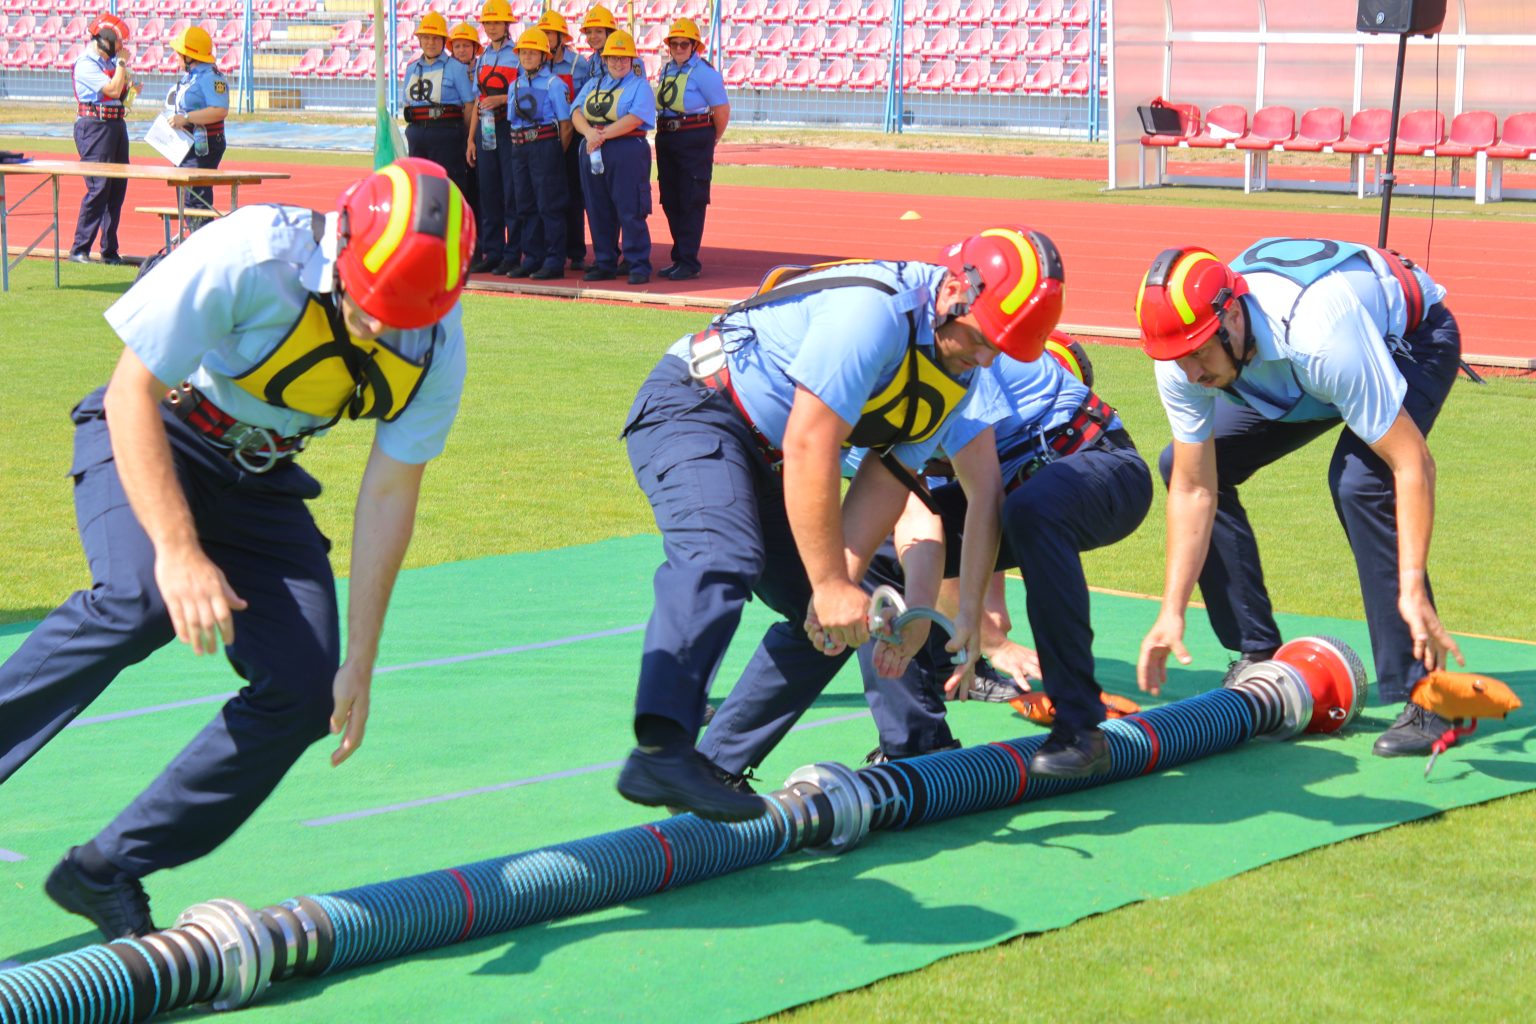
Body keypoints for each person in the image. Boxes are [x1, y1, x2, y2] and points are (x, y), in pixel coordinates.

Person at [0, 159, 474, 940]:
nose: (385, 327)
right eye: (373, 302)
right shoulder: (254, 254)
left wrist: (361, 655)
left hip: (263, 479)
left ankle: (106, 869)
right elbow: (130, 395)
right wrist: (179, 550)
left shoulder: (437, 342)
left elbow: (391, 491)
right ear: (342, 243)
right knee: (139, 600)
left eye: (406, 314)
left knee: (305, 685)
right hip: (163, 434)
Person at [621, 227, 1066, 820]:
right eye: (984, 339)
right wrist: (830, 582)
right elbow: (812, 444)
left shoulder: (956, 373)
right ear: (957, 291)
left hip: (768, 451)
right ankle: (661, 747)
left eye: (1001, 350)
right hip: (698, 408)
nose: (987, 359)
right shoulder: (873, 313)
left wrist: (838, 585)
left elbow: (888, 480)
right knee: (721, 556)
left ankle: (713, 770)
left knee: (839, 621)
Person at [1132, 239, 1465, 758]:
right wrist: (1172, 610)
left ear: (1232, 319)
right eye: (1180, 357)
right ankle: (1257, 653)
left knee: (1361, 482)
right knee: (1184, 463)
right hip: (1295, 374)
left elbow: (1412, 463)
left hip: (1407, 340)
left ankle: (1431, 695)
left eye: (1199, 352)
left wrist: (1412, 587)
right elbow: (1195, 487)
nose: (1192, 373)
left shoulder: (1318, 336)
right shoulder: (1184, 356)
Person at [853, 334, 1152, 777]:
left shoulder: (944, 366)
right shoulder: (854, 406)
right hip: (1015, 492)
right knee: (881, 554)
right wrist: (921, 614)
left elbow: (987, 500)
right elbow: (920, 518)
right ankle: (916, 746)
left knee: (1032, 510)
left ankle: (1079, 727)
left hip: (1097, 463)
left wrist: (980, 624)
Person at [570, 30, 655, 285]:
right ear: (605, 60)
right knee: (597, 208)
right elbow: (576, 110)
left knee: (630, 208)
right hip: (593, 148)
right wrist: (588, 134)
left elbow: (635, 118)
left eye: (624, 58)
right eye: (613, 58)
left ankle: (637, 263)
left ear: (632, 61)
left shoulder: (639, 86)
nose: (618, 63)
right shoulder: (594, 84)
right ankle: (604, 261)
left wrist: (601, 135)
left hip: (626, 148)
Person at [652, 17, 728, 282]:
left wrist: (710, 138)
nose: (679, 48)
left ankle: (688, 260)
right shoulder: (667, 70)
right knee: (670, 198)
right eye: (675, 44)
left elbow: (721, 111)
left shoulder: (705, 73)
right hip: (667, 136)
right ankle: (680, 256)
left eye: (685, 44)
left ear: (695, 45)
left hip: (693, 136)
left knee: (691, 199)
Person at [502, 27, 571, 280]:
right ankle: (532, 259)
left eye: (533, 52)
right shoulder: (515, 85)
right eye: (524, 52)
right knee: (525, 205)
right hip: (519, 148)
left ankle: (554, 260)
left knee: (549, 205)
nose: (527, 57)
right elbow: (513, 121)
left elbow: (566, 125)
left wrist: (553, 153)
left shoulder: (555, 84)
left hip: (544, 146)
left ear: (545, 56)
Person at [69, 12, 136, 265]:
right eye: (119, 41)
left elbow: (120, 93)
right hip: (94, 126)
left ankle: (109, 250)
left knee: (116, 188)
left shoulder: (108, 63)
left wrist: (128, 88)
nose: (122, 47)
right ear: (106, 39)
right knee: (99, 188)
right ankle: (79, 248)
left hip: (115, 124)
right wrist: (121, 66)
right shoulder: (87, 63)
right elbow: (110, 89)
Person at [401, 11, 475, 224]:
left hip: (447, 134)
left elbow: (469, 104)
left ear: (443, 40)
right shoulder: (411, 69)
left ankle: (457, 234)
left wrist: (465, 135)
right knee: (421, 188)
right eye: (426, 37)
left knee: (451, 187)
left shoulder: (456, 68)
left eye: (435, 38)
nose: (430, 42)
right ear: (419, 40)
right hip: (417, 133)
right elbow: (407, 100)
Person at [467, 0, 521, 275]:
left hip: (508, 127)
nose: (491, 27)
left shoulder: (519, 55)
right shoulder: (484, 57)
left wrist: (502, 98)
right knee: (489, 192)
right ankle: (493, 252)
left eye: (496, 23)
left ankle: (513, 254)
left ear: (507, 25)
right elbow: (479, 100)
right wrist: (471, 139)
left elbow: (525, 92)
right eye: (487, 23)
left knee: (511, 192)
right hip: (485, 129)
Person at [536, 8, 587, 273]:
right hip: (545, 136)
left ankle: (576, 251)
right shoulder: (536, 62)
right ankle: (550, 248)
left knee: (573, 194)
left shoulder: (580, 64)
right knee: (547, 195)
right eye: (541, 33)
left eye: (549, 33)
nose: (545, 38)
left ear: (560, 37)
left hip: (573, 135)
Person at [164, 25, 228, 220]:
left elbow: (220, 110)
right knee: (186, 200)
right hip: (187, 144)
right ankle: (191, 244)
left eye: (179, 53)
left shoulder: (210, 78)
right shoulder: (191, 77)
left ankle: (203, 246)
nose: (176, 57)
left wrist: (187, 119)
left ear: (190, 56)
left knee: (196, 202)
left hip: (203, 146)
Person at [447, 21, 484, 254]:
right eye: (457, 46)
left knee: (479, 192)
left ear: (475, 49)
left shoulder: (481, 69)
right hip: (454, 136)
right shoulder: (449, 70)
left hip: (480, 135)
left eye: (466, 46)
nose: (461, 50)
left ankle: (480, 244)